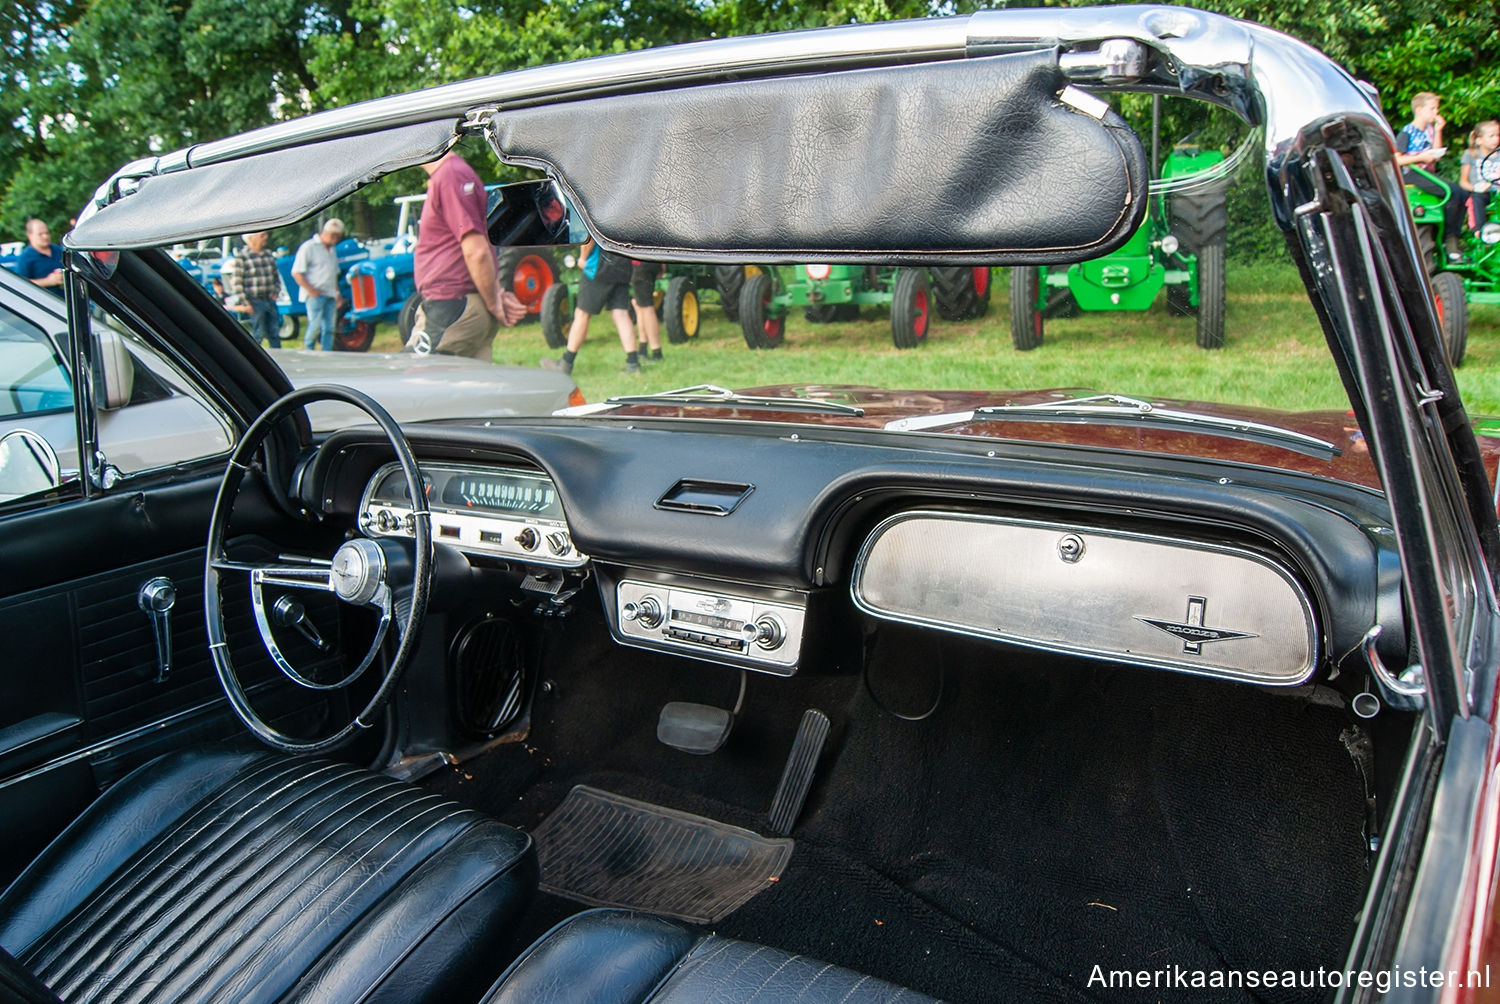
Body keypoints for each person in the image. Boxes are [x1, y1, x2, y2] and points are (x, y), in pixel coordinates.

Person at [406, 151, 525, 359]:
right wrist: (495, 294)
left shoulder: (450, 175)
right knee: (472, 388)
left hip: (450, 307)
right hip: (460, 306)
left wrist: (494, 302)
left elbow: (477, 252)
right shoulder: (453, 173)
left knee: (409, 377)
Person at [541, 239, 642, 374]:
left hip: (598, 266)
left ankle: (566, 363)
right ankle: (633, 364)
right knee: (621, 314)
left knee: (582, 314)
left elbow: (589, 238)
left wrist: (582, 258)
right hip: (622, 265)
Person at [1395, 92, 1465, 256]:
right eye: (1432, 109)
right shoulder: (1407, 131)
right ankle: (1450, 241)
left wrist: (1438, 130)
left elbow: (1434, 153)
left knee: (1461, 192)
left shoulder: (1428, 130)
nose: (1436, 113)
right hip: (1411, 173)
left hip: (1426, 172)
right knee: (1452, 192)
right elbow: (1397, 160)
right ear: (1419, 110)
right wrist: (1420, 157)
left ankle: (1452, 237)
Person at [292, 218, 345, 350]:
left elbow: (334, 274)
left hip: (330, 293)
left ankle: (326, 353)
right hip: (315, 294)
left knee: (329, 328)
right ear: (331, 235)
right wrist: (311, 290)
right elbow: (297, 272)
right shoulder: (309, 247)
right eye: (337, 237)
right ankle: (309, 350)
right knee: (314, 325)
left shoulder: (332, 250)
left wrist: (337, 294)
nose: (337, 240)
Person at [229, 230, 284, 349]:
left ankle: (278, 360)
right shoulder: (243, 257)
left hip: (269, 299)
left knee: (274, 332)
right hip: (255, 301)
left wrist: (276, 292)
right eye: (262, 235)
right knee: (258, 333)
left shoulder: (268, 254)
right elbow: (238, 283)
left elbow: (276, 276)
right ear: (251, 238)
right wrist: (246, 303)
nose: (266, 237)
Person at [1460, 120, 1499, 231]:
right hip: (1481, 193)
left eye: (1497, 135)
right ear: (1479, 140)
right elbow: (1463, 182)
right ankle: (1479, 231)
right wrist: (1475, 188)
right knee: (1476, 199)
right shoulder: (1471, 155)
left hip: (1497, 192)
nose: (1496, 139)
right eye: (1491, 136)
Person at [631, 261, 665, 363]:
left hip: (640, 263)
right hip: (651, 261)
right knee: (638, 304)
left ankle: (656, 352)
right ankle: (643, 349)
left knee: (646, 307)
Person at [15, 219, 64, 289]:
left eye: (47, 233)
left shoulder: (60, 250)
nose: (45, 236)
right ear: (30, 236)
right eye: (40, 234)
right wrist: (48, 281)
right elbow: (20, 284)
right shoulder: (25, 258)